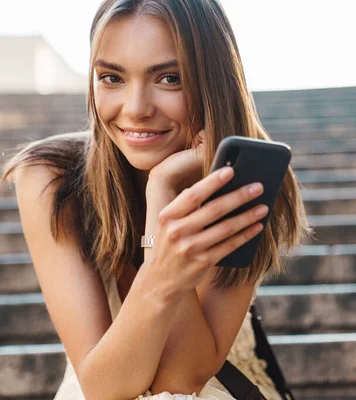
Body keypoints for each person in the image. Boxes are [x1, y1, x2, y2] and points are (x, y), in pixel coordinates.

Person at [0, 0, 309, 399]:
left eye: (169, 79)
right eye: (112, 78)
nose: (136, 109)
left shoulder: (247, 179)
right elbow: (102, 387)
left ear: (211, 83)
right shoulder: (50, 177)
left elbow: (182, 381)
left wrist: (163, 192)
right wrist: (162, 263)